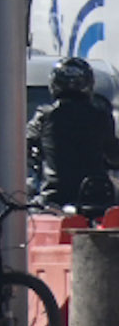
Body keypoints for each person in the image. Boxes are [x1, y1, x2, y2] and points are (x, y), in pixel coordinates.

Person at [32, 57, 119, 213]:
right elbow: (114, 155)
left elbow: (21, 146)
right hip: (97, 193)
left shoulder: (45, 115)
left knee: (21, 215)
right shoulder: (102, 116)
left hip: (55, 195)